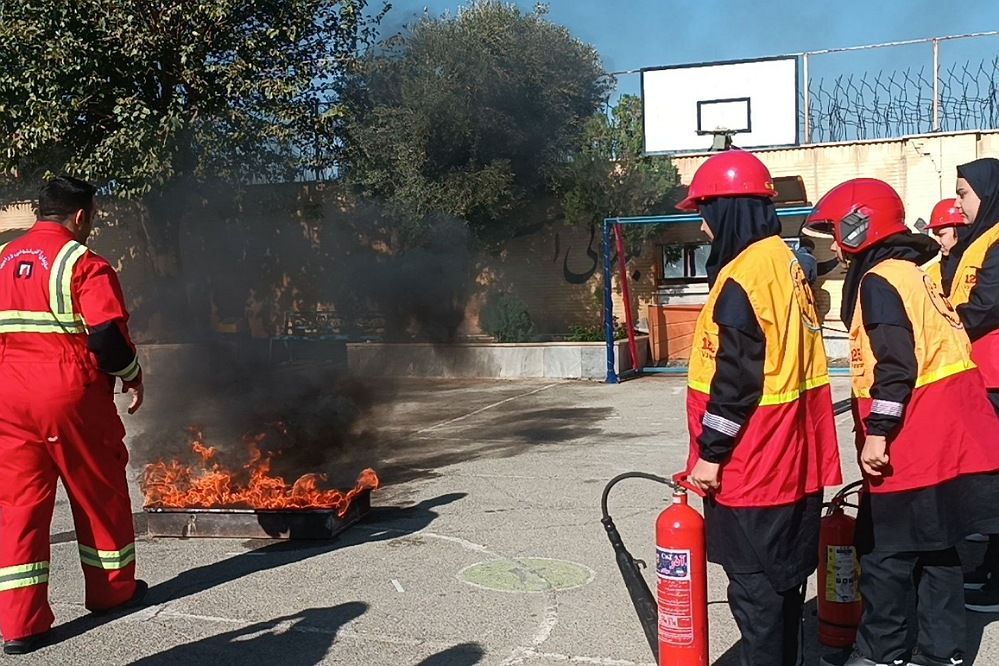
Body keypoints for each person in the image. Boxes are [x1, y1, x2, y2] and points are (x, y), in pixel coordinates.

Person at [806, 178, 999, 666]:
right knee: (937, 549)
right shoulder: (913, 273)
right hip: (947, 434)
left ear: (858, 227)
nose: (835, 247)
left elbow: (895, 365)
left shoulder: (879, 281)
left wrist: (877, 434)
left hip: (914, 438)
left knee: (885, 553)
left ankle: (881, 652)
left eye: (836, 233)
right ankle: (942, 652)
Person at [678, 150, 842, 665]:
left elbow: (735, 382)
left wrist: (710, 454)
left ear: (727, 210)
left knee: (756, 596)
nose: (702, 227)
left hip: (754, 465)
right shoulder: (785, 264)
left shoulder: (742, 278)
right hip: (793, 458)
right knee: (785, 584)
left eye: (705, 212)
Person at [0, 176, 148, 654]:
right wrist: (133, 374)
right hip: (68, 394)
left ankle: (20, 626)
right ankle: (111, 592)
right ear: (81, 216)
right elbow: (106, 339)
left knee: (18, 507)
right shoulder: (83, 263)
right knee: (98, 492)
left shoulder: (3, 258)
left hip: (8, 395)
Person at [937, 158, 999, 612]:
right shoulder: (980, 240)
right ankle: (988, 567)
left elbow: (986, 306)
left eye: (963, 194)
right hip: (982, 375)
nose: (958, 204)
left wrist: (940, 328)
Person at [921, 198, 966, 286]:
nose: (937, 241)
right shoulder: (932, 273)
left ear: (960, 231)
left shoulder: (980, 266)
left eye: (941, 235)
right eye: (935, 235)